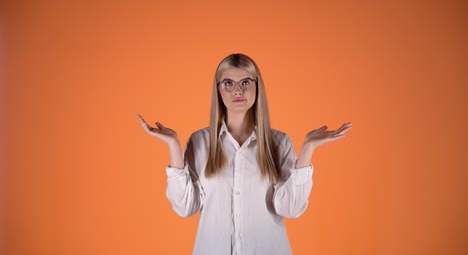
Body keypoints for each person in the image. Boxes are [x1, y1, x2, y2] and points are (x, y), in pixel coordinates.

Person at [137, 53, 352, 255]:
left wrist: (307, 150)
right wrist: (173, 145)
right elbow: (185, 207)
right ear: (218, 90)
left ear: (257, 87)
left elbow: (290, 208)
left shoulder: (279, 143)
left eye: (245, 82)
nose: (237, 91)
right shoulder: (200, 141)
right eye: (228, 83)